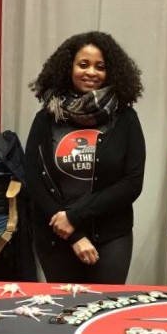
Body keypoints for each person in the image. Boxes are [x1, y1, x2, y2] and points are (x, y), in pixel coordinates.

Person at [24, 31, 146, 284]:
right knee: (62, 313)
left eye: (100, 67)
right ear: (69, 68)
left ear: (110, 73)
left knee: (104, 310)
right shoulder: (46, 118)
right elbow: (33, 179)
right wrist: (72, 233)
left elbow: (132, 182)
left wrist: (74, 216)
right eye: (83, 64)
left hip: (111, 235)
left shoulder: (126, 119)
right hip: (55, 234)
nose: (91, 72)